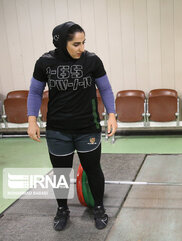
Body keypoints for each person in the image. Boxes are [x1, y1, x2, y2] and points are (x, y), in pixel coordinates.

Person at [27, 21, 117, 231]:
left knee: (94, 170)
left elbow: (106, 89)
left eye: (83, 42)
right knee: (60, 172)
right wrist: (32, 120)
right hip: (58, 130)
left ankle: (99, 208)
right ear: (62, 43)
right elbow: (34, 92)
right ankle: (62, 210)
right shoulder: (45, 62)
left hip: (88, 128)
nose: (82, 48)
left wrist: (111, 115)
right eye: (76, 44)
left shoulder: (92, 61)